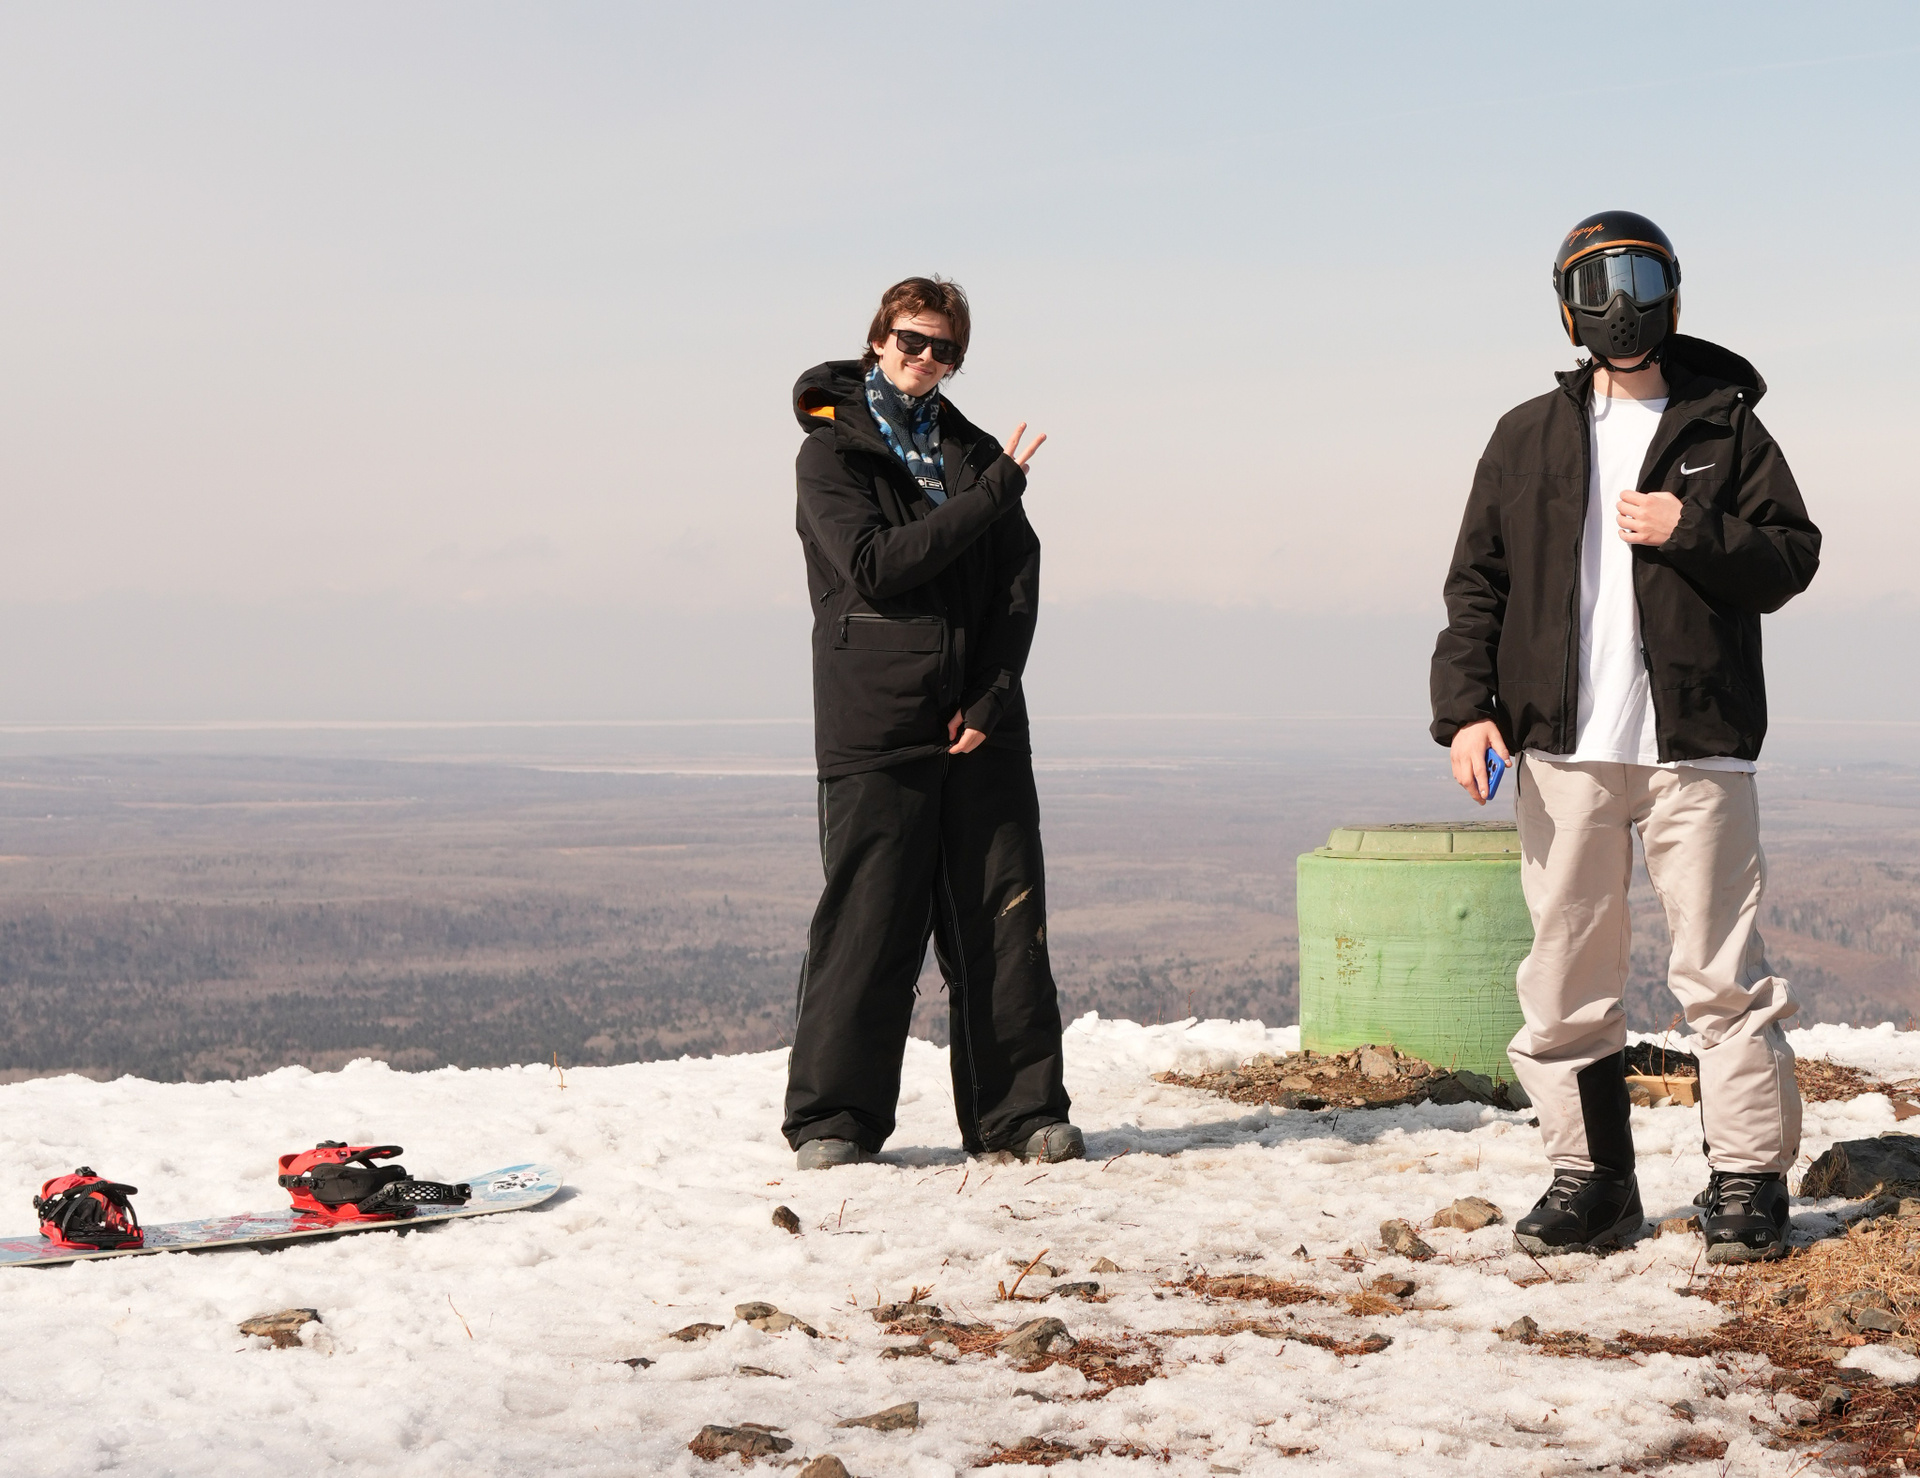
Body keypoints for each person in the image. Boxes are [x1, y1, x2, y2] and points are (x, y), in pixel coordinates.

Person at [1430, 212, 1821, 1262]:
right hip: (1563, 751)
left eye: (1641, 279)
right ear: (1568, 306)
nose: (1621, 301)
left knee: (1722, 976)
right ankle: (1592, 1183)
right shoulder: (1525, 436)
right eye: (1598, 283)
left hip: (1698, 745)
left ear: (1673, 294)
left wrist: (1691, 529)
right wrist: (1466, 710)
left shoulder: (1723, 425)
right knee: (1564, 978)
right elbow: (1477, 586)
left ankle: (1747, 1182)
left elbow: (1791, 556)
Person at [781, 276, 1083, 1170]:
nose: (924, 358)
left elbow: (1016, 589)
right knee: (867, 924)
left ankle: (1019, 1117)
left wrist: (992, 697)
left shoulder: (974, 452)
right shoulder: (832, 456)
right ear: (878, 339)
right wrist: (993, 495)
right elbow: (877, 566)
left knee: (1003, 923)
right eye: (911, 340)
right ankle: (835, 1121)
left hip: (981, 727)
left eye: (943, 348)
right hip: (876, 721)